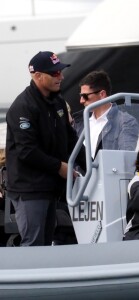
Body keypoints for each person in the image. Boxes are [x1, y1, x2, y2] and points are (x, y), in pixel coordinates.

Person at [5, 51, 86, 246]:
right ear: (38, 76)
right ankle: (24, 277)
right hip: (29, 188)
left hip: (50, 187)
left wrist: (93, 163)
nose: (61, 76)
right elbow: (27, 151)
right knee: (33, 243)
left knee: (46, 243)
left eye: (60, 72)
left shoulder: (57, 102)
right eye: (55, 73)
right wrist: (60, 167)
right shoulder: (22, 107)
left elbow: (70, 140)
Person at [73, 70, 139, 159]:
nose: (81, 101)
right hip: (80, 173)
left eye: (85, 96)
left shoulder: (126, 121)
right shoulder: (79, 121)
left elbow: (125, 159)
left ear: (102, 94)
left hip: (106, 172)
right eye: (80, 96)